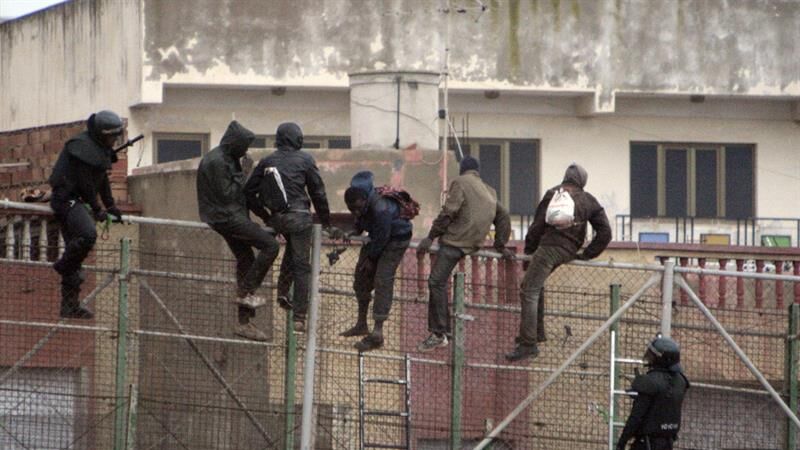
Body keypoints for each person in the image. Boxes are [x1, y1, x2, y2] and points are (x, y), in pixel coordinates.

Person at [505, 163, 611, 361]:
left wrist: (529, 254)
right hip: (569, 250)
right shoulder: (588, 200)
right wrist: (587, 253)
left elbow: (536, 227)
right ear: (583, 181)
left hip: (548, 249)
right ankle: (536, 334)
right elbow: (605, 232)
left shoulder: (553, 194)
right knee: (536, 286)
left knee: (528, 289)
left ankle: (528, 344)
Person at [245, 122, 343, 333]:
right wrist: (326, 222)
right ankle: (299, 317)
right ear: (298, 139)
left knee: (291, 251)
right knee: (302, 267)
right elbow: (318, 193)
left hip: (278, 219)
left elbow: (248, 193)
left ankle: (282, 292)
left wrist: (266, 217)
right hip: (300, 219)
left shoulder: (267, 161)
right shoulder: (306, 160)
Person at [416, 156, 512, 352]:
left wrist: (430, 237)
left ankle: (439, 333)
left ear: (462, 169)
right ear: (477, 171)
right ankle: (443, 331)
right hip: (474, 243)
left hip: (456, 242)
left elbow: (448, 213)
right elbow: (504, 216)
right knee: (441, 282)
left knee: (436, 282)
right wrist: (500, 244)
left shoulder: (460, 182)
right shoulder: (489, 190)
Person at [197, 120, 279, 342]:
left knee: (246, 258)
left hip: (234, 215)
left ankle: (243, 323)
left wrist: (265, 217)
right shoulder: (216, 161)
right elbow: (227, 194)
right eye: (244, 146)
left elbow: (241, 194)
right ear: (234, 143)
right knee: (270, 246)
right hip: (225, 217)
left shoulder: (229, 158)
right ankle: (245, 291)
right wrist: (245, 173)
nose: (245, 151)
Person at [48, 110, 124, 319]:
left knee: (77, 257)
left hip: (77, 202)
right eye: (111, 136)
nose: (113, 141)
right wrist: (97, 209)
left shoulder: (98, 149)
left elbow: (102, 179)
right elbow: (86, 184)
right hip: (66, 199)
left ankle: (70, 305)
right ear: (101, 134)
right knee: (87, 235)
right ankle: (64, 265)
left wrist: (110, 206)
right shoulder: (81, 146)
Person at [340, 171, 413, 352]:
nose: (355, 212)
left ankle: (377, 331)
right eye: (351, 209)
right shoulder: (362, 204)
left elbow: (383, 236)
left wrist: (371, 259)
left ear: (364, 199)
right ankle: (361, 323)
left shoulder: (381, 208)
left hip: (396, 240)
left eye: (357, 208)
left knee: (382, 279)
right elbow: (362, 220)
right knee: (361, 277)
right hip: (377, 238)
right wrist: (355, 230)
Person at [617, 335, 690, 450]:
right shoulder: (681, 381)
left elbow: (636, 417)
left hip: (646, 444)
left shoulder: (651, 381)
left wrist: (622, 443)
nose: (650, 359)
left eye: (652, 356)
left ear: (661, 359)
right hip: (668, 443)